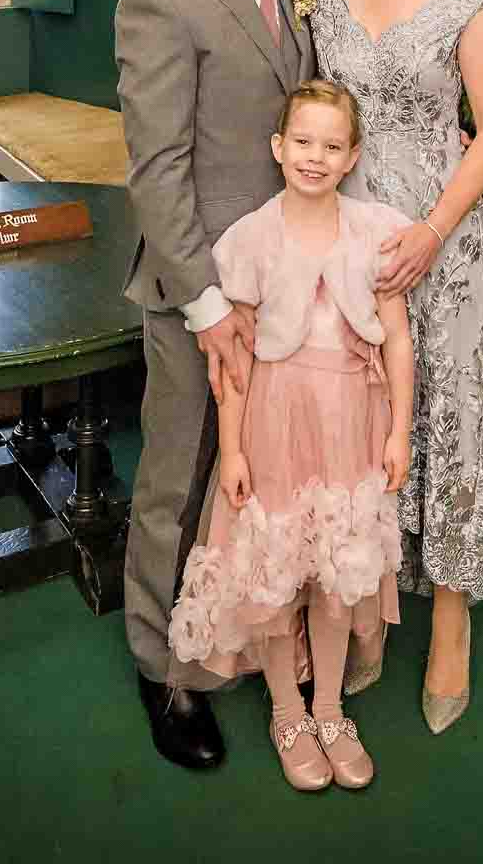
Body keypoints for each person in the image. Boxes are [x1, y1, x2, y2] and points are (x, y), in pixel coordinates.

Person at [115, 0, 315, 770]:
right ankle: (161, 669)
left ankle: (237, 631)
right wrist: (205, 305)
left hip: (280, 283)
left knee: (259, 478)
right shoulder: (161, 4)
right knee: (179, 479)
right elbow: (157, 172)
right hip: (200, 294)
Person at [307, 0, 483, 734]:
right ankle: (370, 604)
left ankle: (454, 621)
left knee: (452, 417)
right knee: (364, 424)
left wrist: (435, 229)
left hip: (446, 240)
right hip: (353, 244)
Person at [167, 80, 415, 792]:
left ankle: (331, 710)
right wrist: (235, 448)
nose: (315, 156)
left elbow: (397, 342)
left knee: (337, 572)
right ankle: (287, 713)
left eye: (331, 146)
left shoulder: (375, 231)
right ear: (279, 148)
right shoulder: (251, 240)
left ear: (352, 156)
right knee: (277, 571)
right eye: (302, 142)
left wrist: (398, 430)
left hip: (350, 424)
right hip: (276, 424)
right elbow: (235, 362)